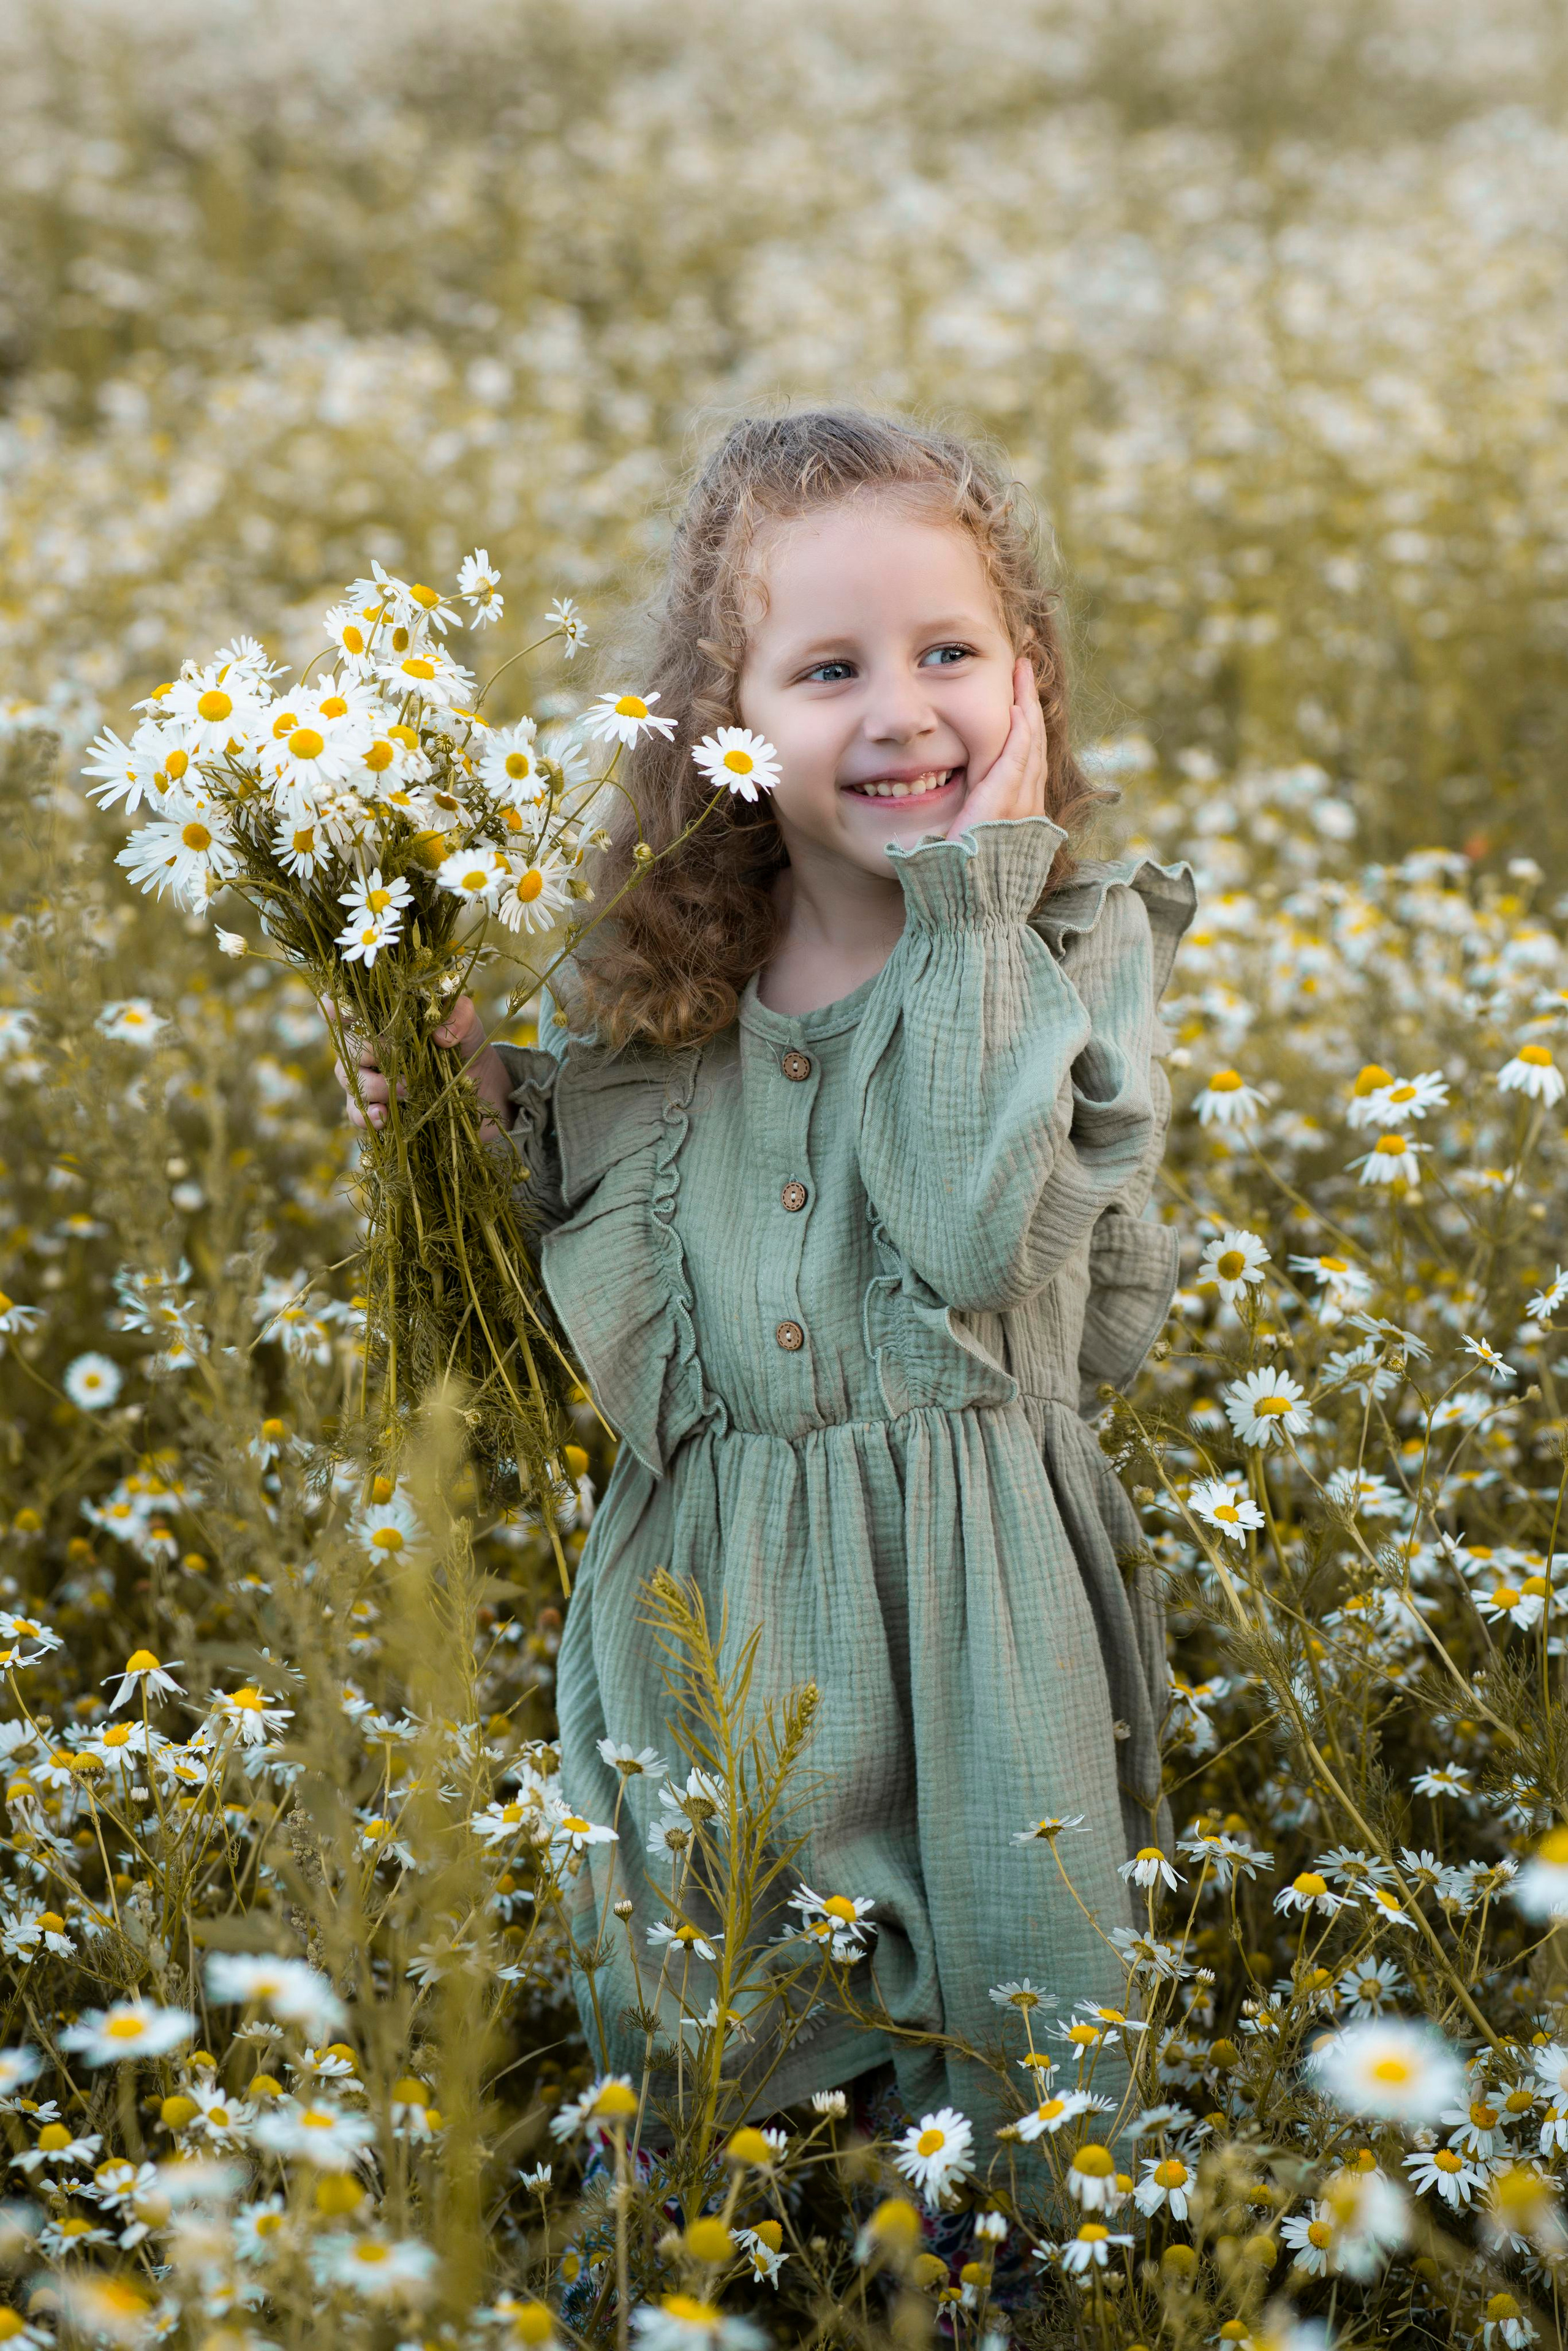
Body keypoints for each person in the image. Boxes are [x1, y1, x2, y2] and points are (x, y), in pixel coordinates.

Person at [336, 409, 1194, 2161]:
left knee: (1017, 2036)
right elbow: (561, 1316)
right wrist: (468, 1124)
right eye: (827, 669)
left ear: (1028, 679)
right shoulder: (654, 991)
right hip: (709, 1606)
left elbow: (968, 1240)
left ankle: (1016, 2276)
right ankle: (697, 2260)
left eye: (952, 651)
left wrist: (971, 910)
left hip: (977, 1618)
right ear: (728, 724)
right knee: (699, 2017)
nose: (902, 711)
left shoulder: (1062, 959)